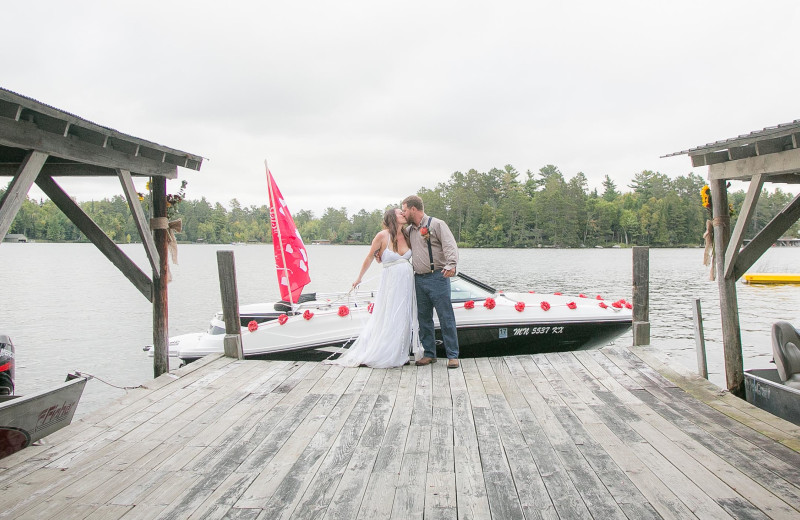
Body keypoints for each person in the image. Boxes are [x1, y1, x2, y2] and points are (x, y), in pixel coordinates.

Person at [324, 208, 422, 368]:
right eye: (400, 213)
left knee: (403, 317)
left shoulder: (407, 234)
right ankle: (383, 352)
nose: (403, 215)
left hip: (406, 283)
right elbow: (370, 257)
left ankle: (400, 354)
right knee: (388, 315)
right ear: (392, 217)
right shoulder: (382, 236)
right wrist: (359, 278)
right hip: (391, 282)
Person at [401, 195, 460, 368]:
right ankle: (429, 354)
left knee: (445, 317)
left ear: (413, 209)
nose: (404, 214)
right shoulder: (409, 230)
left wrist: (451, 265)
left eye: (404, 210)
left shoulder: (436, 224)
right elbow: (398, 243)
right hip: (418, 279)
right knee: (423, 318)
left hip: (437, 277)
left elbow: (450, 245)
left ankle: (452, 355)